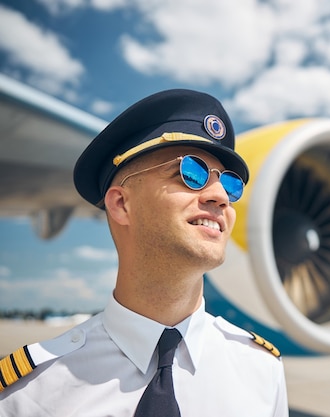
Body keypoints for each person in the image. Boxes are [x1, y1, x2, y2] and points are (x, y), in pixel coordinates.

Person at [0, 89, 289, 416]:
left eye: (231, 184)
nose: (221, 196)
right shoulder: (29, 394)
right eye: (191, 173)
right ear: (122, 204)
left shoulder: (263, 370)